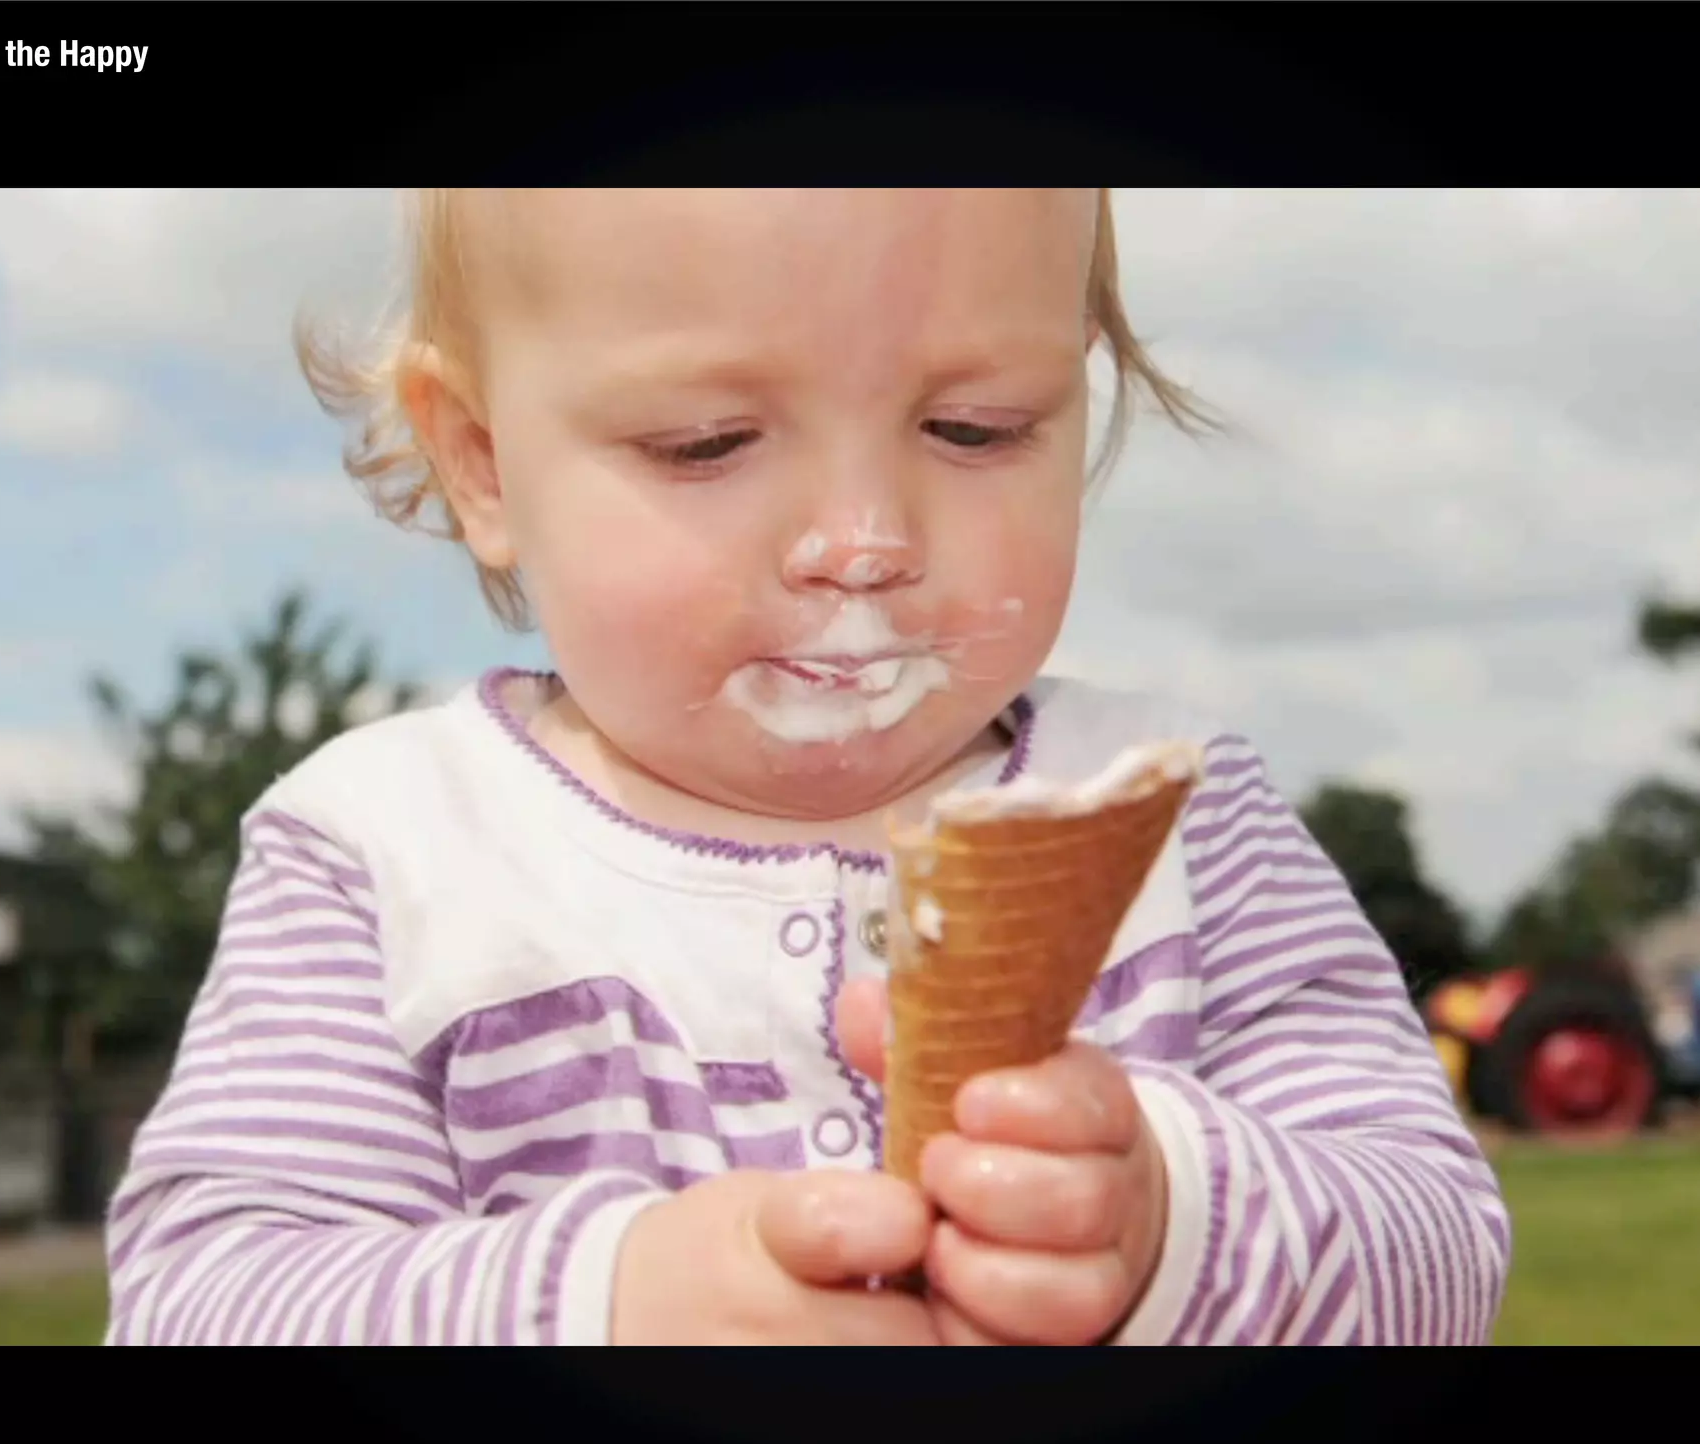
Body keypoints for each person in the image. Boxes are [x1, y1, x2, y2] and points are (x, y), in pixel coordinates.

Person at [103, 189, 1510, 1345]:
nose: (862, 543)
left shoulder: (1174, 816)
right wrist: (613, 1305)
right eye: (705, 444)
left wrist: (1168, 1221)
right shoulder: (387, 853)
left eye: (976, 427)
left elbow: (1439, 1249)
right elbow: (202, 1306)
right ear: (480, 461)